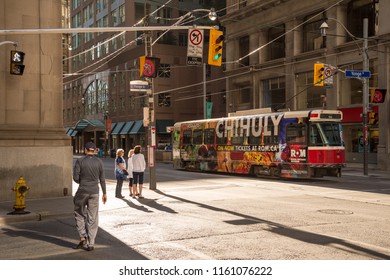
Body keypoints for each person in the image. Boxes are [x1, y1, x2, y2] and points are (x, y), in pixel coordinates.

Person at [73, 141, 107, 251]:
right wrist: (104, 193)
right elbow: (102, 179)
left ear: (85, 150)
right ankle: (91, 244)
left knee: (79, 212)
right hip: (95, 192)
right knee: (93, 217)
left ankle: (83, 236)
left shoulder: (80, 161)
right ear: (94, 150)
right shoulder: (99, 162)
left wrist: (83, 182)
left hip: (83, 190)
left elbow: (75, 178)